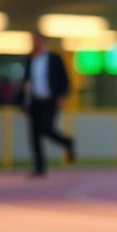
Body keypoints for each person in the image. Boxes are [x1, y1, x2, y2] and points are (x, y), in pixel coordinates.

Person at [21, 34, 75, 176]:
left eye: (37, 42)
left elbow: (64, 79)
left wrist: (62, 96)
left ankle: (67, 142)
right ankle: (40, 166)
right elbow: (26, 80)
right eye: (33, 42)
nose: (35, 44)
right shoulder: (29, 59)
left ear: (45, 43)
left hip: (49, 100)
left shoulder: (54, 59)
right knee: (34, 135)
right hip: (34, 100)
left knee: (46, 128)